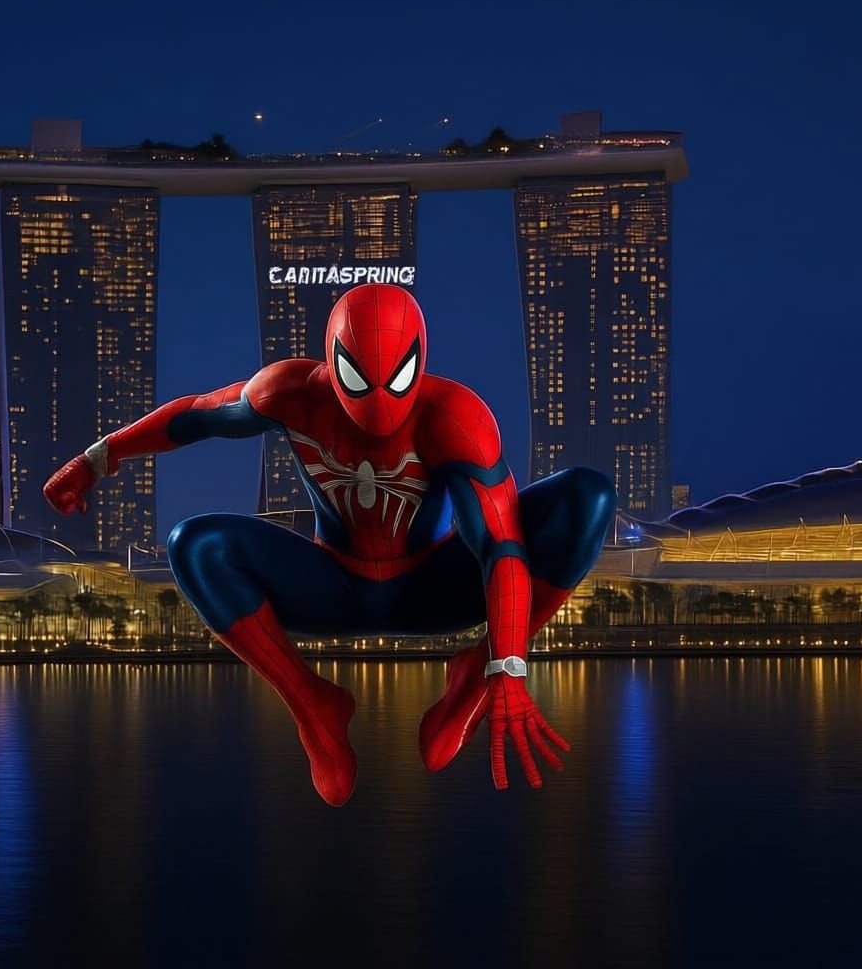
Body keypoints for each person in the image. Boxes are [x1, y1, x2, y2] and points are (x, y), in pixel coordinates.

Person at [43, 283, 615, 805]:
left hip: (434, 587)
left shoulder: (453, 417)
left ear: (419, 361)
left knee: (587, 498)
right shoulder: (291, 392)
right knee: (194, 544)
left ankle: (468, 681)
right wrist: (98, 457)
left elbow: (501, 547)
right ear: (332, 360)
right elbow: (195, 417)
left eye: (395, 381)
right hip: (335, 584)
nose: (378, 403)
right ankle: (312, 703)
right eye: (359, 380)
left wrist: (506, 663)